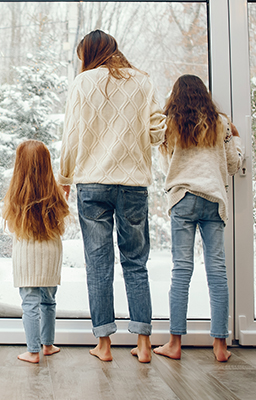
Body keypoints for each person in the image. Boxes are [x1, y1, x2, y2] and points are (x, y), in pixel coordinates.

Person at [57, 30, 166, 363]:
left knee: (98, 265)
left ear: (89, 55)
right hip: (132, 183)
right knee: (136, 264)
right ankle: (145, 344)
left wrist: (64, 176)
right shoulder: (143, 82)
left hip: (91, 183)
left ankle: (103, 345)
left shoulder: (82, 83)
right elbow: (156, 131)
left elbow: (72, 134)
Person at [154, 75, 244, 363]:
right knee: (217, 271)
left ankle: (174, 343)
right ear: (204, 94)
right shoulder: (221, 123)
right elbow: (232, 164)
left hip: (182, 197)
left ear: (175, 96)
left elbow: (165, 166)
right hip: (213, 199)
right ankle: (220, 345)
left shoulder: (170, 123)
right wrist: (238, 140)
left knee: (181, 270)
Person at [2, 139, 70, 363]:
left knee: (30, 303)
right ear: (46, 163)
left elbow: (12, 226)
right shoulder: (54, 192)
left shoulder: (15, 194)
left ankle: (33, 351)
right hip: (50, 255)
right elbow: (62, 215)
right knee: (49, 301)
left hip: (26, 256)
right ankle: (48, 345)